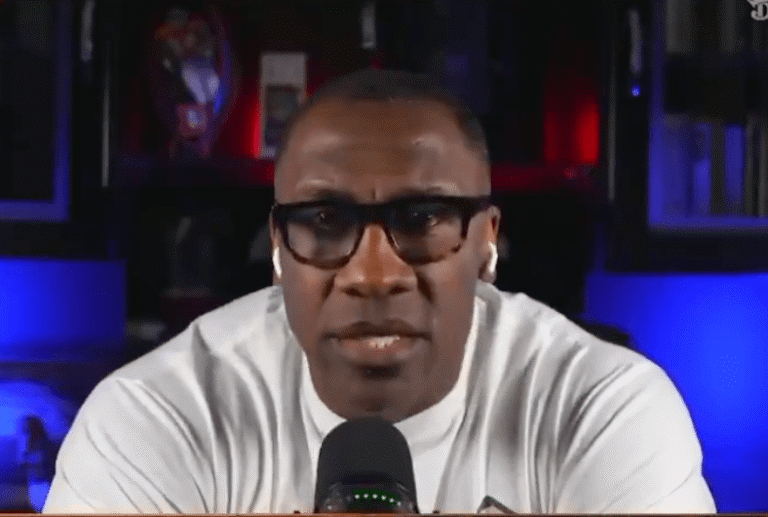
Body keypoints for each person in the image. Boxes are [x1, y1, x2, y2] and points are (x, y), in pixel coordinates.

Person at [43, 69, 716, 513]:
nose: (372, 274)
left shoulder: (607, 411)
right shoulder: (152, 420)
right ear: (278, 249)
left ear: (487, 243)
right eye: (324, 220)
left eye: (422, 218)